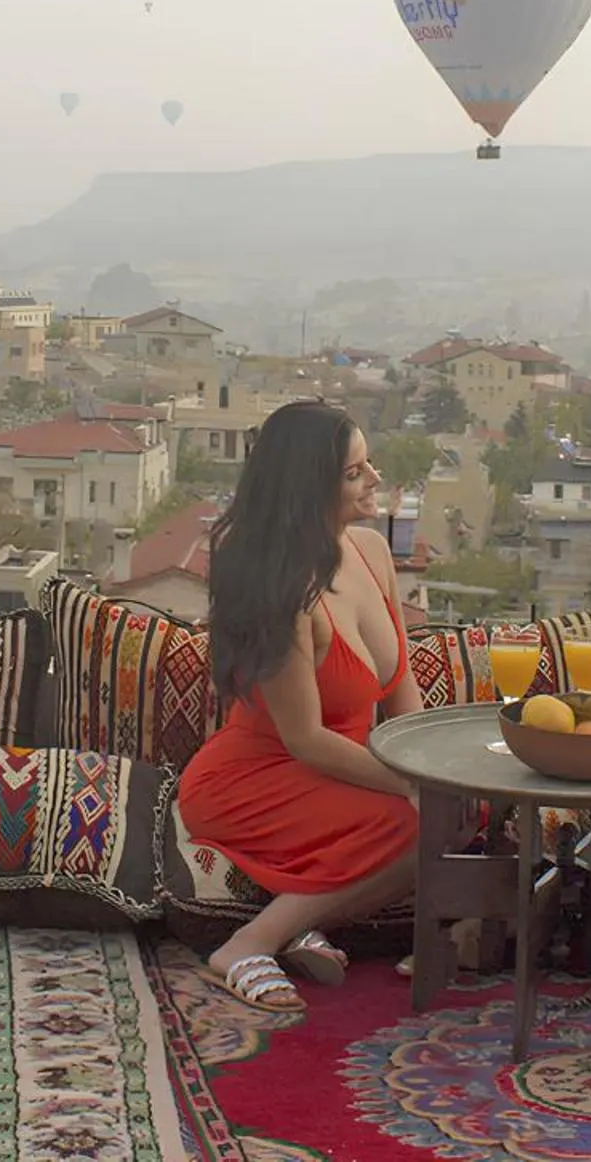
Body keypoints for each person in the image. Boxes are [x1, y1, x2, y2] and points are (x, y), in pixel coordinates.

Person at [177, 400, 422, 1010]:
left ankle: (298, 922)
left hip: (338, 769)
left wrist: (433, 769)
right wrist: (410, 786)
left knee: (457, 809)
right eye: (353, 473)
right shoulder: (284, 594)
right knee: (416, 823)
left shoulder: (371, 552)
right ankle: (247, 945)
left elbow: (401, 688)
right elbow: (306, 739)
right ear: (308, 488)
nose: (374, 480)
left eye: (369, 465)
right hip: (255, 778)